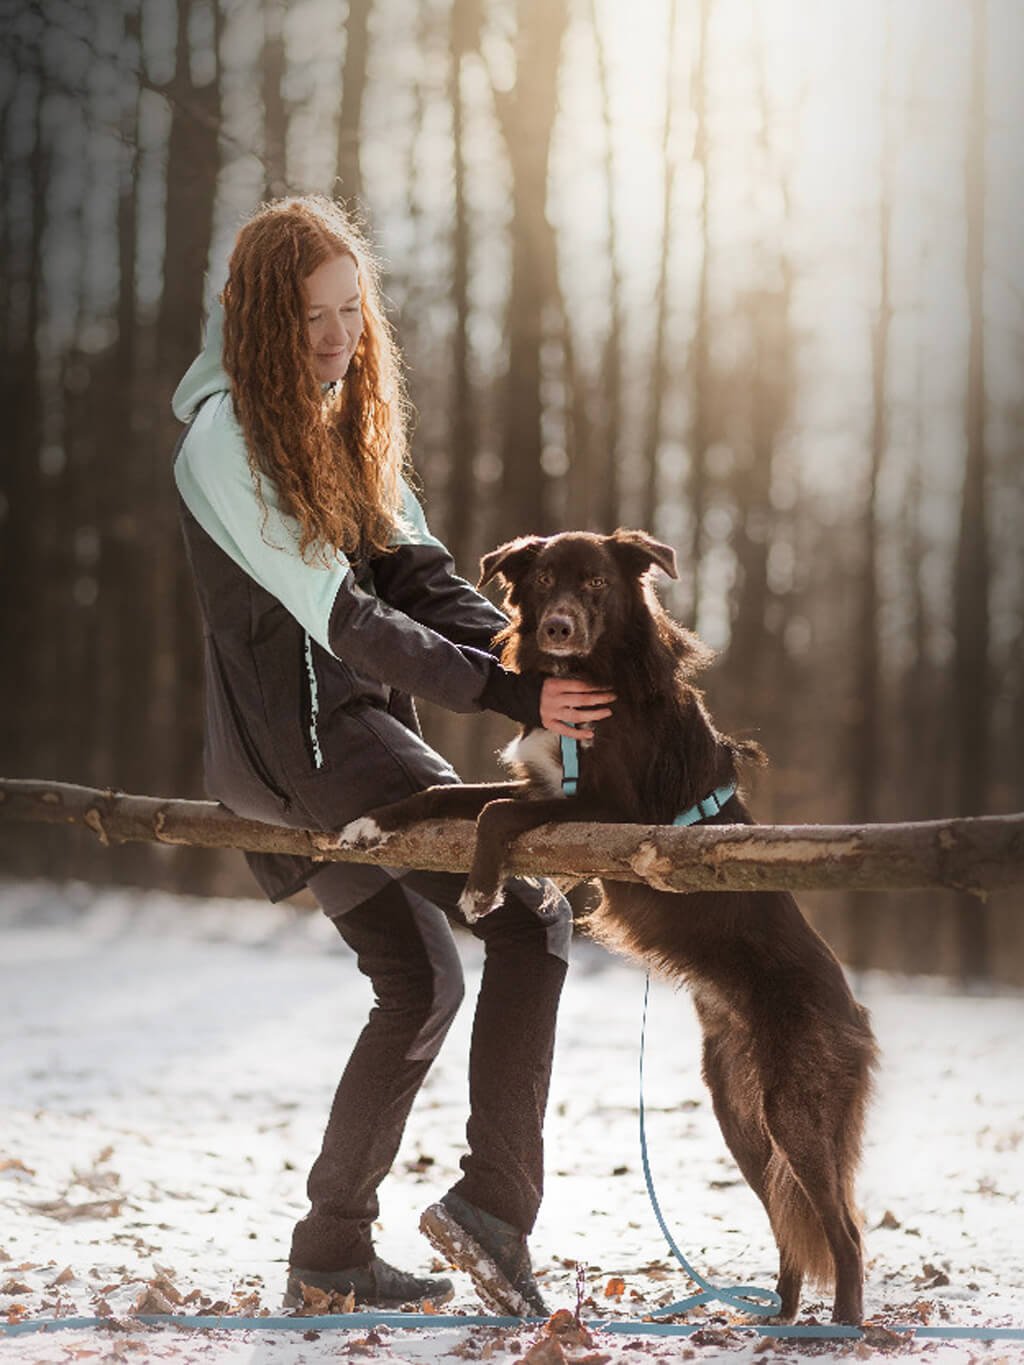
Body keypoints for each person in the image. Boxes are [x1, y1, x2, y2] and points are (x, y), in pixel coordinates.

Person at [170, 195, 615, 1316]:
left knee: (418, 979)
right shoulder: (225, 437)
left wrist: (526, 661)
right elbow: (347, 623)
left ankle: (330, 1253)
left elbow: (420, 579)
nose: (336, 337)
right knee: (531, 916)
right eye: (311, 315)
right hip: (309, 748)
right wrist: (512, 692)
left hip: (340, 739)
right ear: (259, 317)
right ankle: (494, 1207)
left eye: (349, 311)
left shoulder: (337, 422)